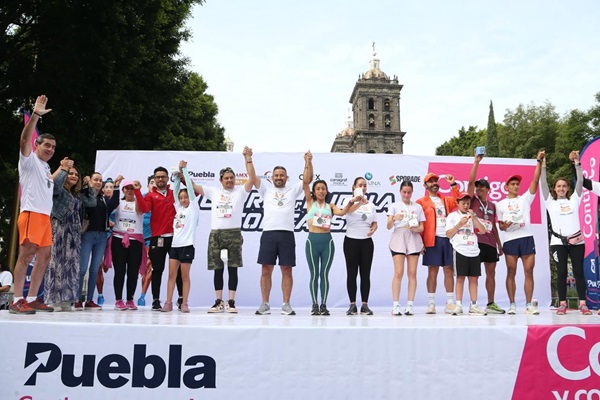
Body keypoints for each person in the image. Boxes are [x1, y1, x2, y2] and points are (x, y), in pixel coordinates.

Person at [190, 147, 256, 313]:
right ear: (220, 180)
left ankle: (231, 302)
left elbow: (252, 178)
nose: (229, 181)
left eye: (232, 178)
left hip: (233, 234)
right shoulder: (214, 192)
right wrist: (183, 170)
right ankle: (218, 301)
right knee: (217, 268)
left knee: (233, 268)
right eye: (226, 178)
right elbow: (193, 186)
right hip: (216, 235)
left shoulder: (241, 192)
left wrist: (248, 158)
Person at [11, 95, 61, 314]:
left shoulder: (46, 168)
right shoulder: (29, 160)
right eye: (46, 145)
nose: (50, 149)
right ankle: (16, 299)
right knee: (26, 255)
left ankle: (32, 298)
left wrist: (62, 169)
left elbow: (48, 185)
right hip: (31, 213)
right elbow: (23, 141)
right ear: (37, 145)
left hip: (44, 217)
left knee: (45, 256)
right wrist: (36, 116)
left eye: (53, 147)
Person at [254, 152, 313, 315]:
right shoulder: (265, 190)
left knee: (287, 270)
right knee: (266, 269)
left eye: (282, 175)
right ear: (272, 177)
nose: (279, 177)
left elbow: (307, 180)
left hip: (287, 234)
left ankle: (286, 304)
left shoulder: (292, 190)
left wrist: (308, 162)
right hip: (268, 234)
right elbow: (252, 177)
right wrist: (248, 159)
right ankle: (265, 303)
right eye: (276, 175)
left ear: (287, 177)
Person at [541, 151, 591, 315]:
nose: (561, 188)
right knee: (561, 272)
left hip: (577, 241)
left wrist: (577, 163)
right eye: (558, 186)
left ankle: (583, 304)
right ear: (554, 189)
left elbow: (581, 180)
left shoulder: (574, 199)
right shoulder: (550, 202)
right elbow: (542, 183)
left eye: (564, 186)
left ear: (568, 188)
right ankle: (562, 303)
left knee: (578, 272)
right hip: (558, 243)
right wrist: (542, 165)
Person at [497, 150, 545, 315]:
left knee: (529, 271)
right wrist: (505, 225)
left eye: (517, 184)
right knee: (511, 271)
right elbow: (501, 226)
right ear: (507, 187)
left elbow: (536, 179)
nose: (516, 186)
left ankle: (528, 305)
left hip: (526, 237)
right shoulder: (500, 204)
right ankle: (512, 305)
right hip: (510, 239)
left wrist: (538, 161)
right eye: (513, 184)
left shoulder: (525, 198)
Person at [45, 165, 96, 311]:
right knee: (56, 263)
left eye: (76, 174)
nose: (73, 176)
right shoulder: (59, 191)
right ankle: (53, 299)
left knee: (71, 265)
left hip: (74, 232)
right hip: (59, 228)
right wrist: (63, 170)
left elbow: (92, 202)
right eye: (70, 174)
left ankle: (67, 299)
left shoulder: (77, 195)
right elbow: (54, 187)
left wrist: (89, 185)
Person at [304, 177, 353, 316]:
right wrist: (308, 162)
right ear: (313, 191)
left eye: (323, 189)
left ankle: (324, 305)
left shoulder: (330, 206)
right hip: (312, 241)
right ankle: (314, 305)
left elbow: (343, 212)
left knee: (324, 274)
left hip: (327, 243)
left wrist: (350, 203)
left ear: (326, 191)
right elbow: (305, 183)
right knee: (314, 274)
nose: (321, 191)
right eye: (318, 188)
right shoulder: (310, 202)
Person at [136, 167, 183, 311]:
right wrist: (137, 191)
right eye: (158, 177)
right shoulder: (150, 196)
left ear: (168, 178)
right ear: (154, 180)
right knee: (157, 269)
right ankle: (156, 300)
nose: (160, 179)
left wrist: (183, 178)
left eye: (163, 176)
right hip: (157, 238)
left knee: (178, 270)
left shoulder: (175, 193)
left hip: (176, 238)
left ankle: (181, 298)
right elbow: (143, 209)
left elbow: (195, 195)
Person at [466, 152, 505, 314]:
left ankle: (491, 303)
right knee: (474, 273)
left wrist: (499, 244)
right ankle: (473, 303)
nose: (479, 188)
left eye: (482, 186)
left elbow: (494, 226)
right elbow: (469, 182)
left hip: (490, 242)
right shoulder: (472, 200)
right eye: (478, 186)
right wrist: (476, 162)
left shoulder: (492, 205)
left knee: (491, 273)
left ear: (488, 189)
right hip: (475, 241)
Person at [416, 173, 460, 314]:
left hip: (447, 239)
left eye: (435, 181)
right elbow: (419, 223)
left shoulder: (445, 200)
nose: (434, 183)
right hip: (431, 239)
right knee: (432, 270)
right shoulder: (421, 202)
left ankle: (450, 303)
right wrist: (420, 242)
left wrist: (453, 185)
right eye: (431, 182)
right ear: (425, 186)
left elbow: (458, 199)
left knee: (449, 270)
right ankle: (431, 303)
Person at [78, 173, 121, 310]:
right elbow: (87, 204)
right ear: (90, 181)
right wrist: (87, 187)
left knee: (95, 269)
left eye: (100, 181)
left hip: (102, 236)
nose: (98, 182)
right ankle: (77, 298)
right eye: (95, 180)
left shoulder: (103, 198)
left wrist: (116, 186)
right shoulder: (85, 195)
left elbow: (114, 203)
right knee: (82, 268)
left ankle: (90, 299)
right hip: (87, 235)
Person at [161, 161, 199, 313]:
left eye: (185, 197)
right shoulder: (178, 208)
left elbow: (190, 188)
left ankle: (184, 302)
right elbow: (176, 189)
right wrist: (176, 175)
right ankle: (168, 302)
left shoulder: (193, 208)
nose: (183, 200)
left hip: (187, 245)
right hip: (175, 246)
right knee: (171, 275)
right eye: (181, 198)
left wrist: (184, 169)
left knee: (185, 276)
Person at [446, 193, 488, 316]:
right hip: (460, 249)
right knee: (460, 277)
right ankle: (458, 305)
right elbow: (448, 234)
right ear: (457, 203)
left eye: (467, 203)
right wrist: (459, 224)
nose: (465, 205)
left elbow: (483, 230)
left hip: (474, 250)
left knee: (474, 278)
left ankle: (473, 305)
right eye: (463, 203)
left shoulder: (472, 216)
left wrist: (474, 218)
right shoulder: (452, 216)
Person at [387, 181, 425, 316]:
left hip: (413, 238)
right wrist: (395, 218)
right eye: (404, 192)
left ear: (412, 192)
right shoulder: (394, 206)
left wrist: (414, 228)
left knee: (412, 273)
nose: (406, 194)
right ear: (400, 192)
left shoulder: (418, 207)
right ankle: (395, 305)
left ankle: (410, 305)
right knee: (398, 273)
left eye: (409, 192)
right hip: (398, 238)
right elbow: (388, 226)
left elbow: (421, 227)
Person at [109, 180, 146, 310]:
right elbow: (107, 208)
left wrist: (138, 191)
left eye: (132, 189)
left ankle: (130, 299)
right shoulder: (119, 203)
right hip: (119, 239)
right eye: (127, 188)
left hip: (135, 240)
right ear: (123, 190)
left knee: (133, 272)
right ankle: (118, 300)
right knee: (119, 271)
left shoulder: (139, 202)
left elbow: (141, 210)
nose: (130, 191)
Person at [343, 177, 378, 315]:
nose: (363, 187)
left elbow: (375, 222)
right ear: (354, 187)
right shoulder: (348, 201)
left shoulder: (371, 205)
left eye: (364, 185)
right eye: (360, 185)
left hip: (366, 242)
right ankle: (352, 305)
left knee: (365, 274)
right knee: (352, 274)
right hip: (351, 241)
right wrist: (359, 201)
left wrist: (373, 229)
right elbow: (348, 211)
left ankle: (365, 305)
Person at [95, 178, 117, 306]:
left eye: (111, 187)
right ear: (103, 189)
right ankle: (100, 294)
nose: (109, 189)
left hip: (113, 237)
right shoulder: (99, 201)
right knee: (98, 266)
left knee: (108, 267)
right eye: (107, 187)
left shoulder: (118, 203)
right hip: (101, 235)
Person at [137, 175, 156, 306]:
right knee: (139, 269)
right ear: (148, 185)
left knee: (150, 268)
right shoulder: (141, 198)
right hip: (137, 239)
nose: (154, 185)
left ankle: (142, 296)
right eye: (151, 182)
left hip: (152, 240)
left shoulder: (161, 200)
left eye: (156, 182)